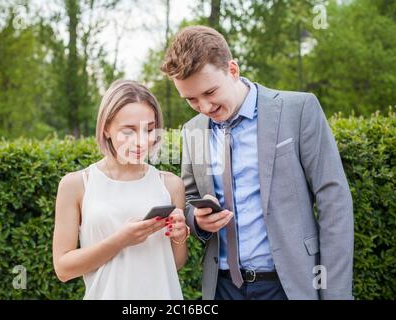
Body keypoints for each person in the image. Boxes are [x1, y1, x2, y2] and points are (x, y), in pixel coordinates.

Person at [161, 25, 354, 300]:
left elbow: (334, 201)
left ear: (233, 70)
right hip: (222, 288)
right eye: (191, 99)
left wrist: (335, 294)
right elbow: (190, 199)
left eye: (210, 92)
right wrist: (199, 220)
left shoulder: (298, 110)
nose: (204, 107)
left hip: (289, 286)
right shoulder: (192, 130)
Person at [52, 80, 189, 299]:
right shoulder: (76, 185)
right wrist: (121, 240)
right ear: (106, 128)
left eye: (149, 129)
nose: (141, 141)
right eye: (129, 131)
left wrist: (179, 236)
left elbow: (175, 263)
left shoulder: (171, 184)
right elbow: (63, 269)